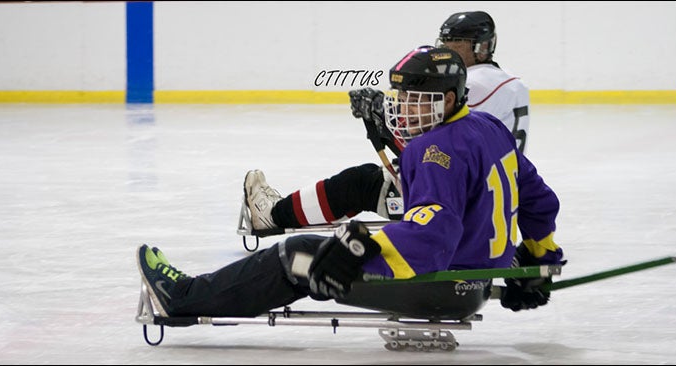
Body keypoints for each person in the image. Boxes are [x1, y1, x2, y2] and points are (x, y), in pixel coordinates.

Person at [137, 46, 565, 318]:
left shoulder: (434, 149)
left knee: (296, 255)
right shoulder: (488, 127)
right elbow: (539, 201)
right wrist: (535, 259)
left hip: (438, 287)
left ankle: (181, 298)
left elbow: (435, 235)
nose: (403, 112)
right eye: (400, 100)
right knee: (344, 231)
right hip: (472, 281)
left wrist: (365, 249)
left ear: (449, 100)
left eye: (416, 102)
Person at [244, 10, 532, 232]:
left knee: (362, 184)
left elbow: (435, 145)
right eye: (446, 42)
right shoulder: (510, 83)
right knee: (378, 178)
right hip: (495, 192)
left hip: (459, 197)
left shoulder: (475, 83)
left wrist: (381, 112)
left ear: (482, 48)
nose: (449, 50)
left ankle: (273, 215)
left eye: (459, 44)